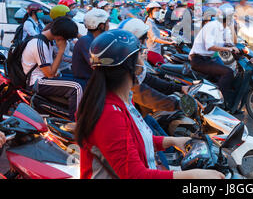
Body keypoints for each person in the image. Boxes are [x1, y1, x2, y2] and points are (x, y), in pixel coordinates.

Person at [75, 29, 224, 179]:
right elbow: (136, 176)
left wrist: (173, 141)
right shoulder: (109, 114)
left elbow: (134, 142)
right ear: (130, 66)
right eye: (140, 54)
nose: (144, 60)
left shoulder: (124, 100)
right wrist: (192, 176)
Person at [21, 17, 81, 121]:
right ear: (60, 37)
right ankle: (75, 122)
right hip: (37, 82)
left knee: (80, 79)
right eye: (66, 39)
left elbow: (58, 62)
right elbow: (50, 74)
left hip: (46, 78)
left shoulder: (48, 41)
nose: (66, 42)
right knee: (76, 87)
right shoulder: (39, 43)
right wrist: (62, 49)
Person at [189, 4, 239, 110]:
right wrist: (229, 49)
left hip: (207, 59)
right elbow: (210, 46)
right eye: (231, 17)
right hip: (199, 61)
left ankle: (223, 101)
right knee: (228, 72)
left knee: (227, 72)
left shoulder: (223, 28)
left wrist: (236, 46)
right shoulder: (212, 26)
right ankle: (218, 104)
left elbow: (230, 41)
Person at [72, 8, 110, 87]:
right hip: (88, 83)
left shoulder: (96, 40)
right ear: (101, 26)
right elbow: (97, 64)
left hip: (95, 80)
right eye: (107, 23)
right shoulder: (86, 41)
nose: (108, 26)